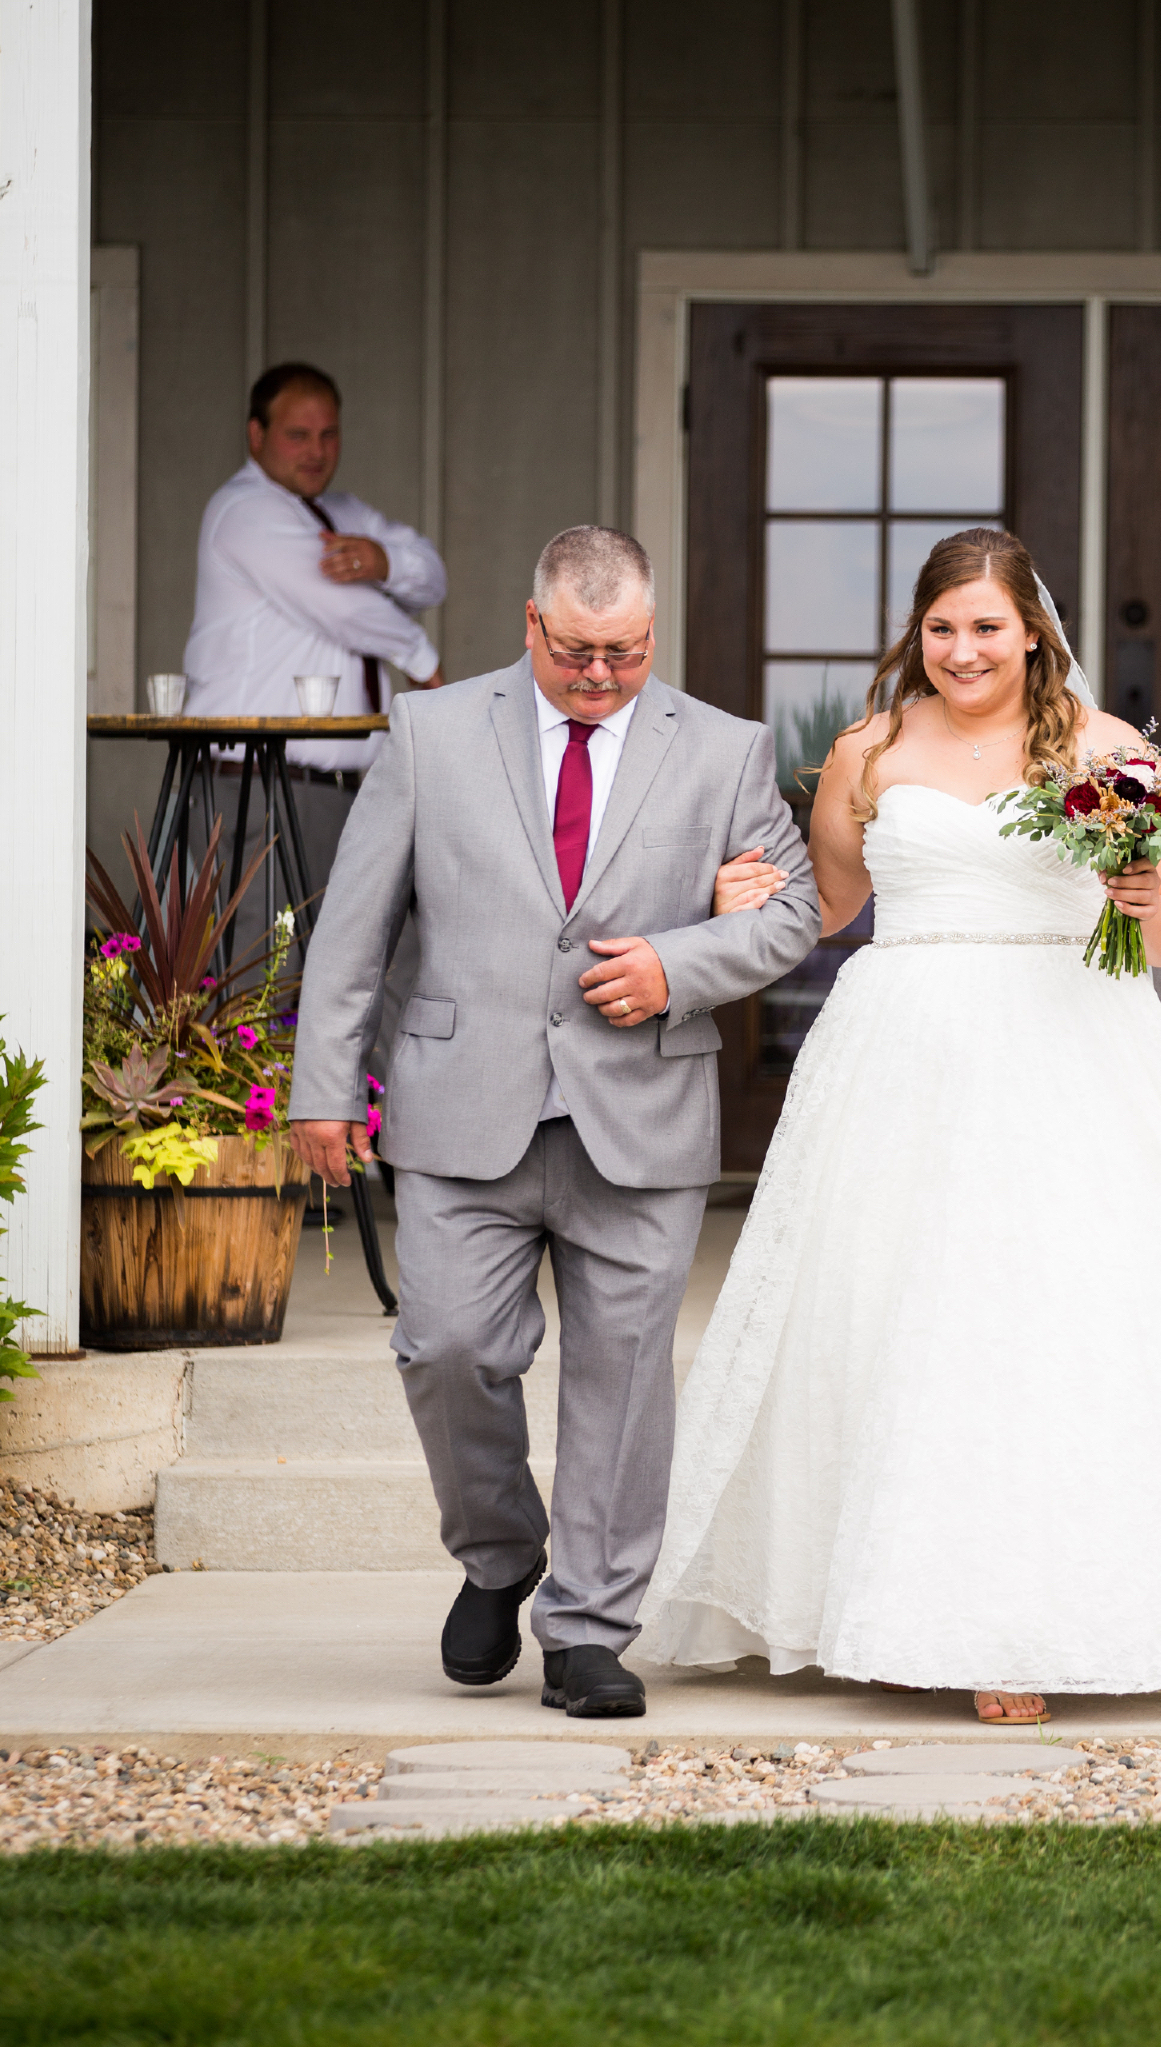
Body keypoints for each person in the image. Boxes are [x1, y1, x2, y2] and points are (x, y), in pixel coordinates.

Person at [638, 526, 1161, 1722]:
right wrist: (738, 897)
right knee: (896, 1318)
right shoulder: (867, 749)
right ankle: (884, 1597)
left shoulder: (1109, 750)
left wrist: (1138, 895)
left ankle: (1031, 1620)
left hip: (1068, 1047)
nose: (964, 650)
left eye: (987, 628)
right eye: (942, 628)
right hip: (902, 1056)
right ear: (916, 634)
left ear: (1032, 633)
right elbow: (829, 909)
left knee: (1049, 1322)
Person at [287, 525, 821, 1719]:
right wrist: (323, 1086)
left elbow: (791, 917)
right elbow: (354, 926)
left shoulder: (726, 750)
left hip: (639, 1113)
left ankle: (588, 1630)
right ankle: (498, 1553)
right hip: (457, 1107)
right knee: (448, 1348)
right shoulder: (429, 734)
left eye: (625, 653)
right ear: (532, 626)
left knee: (623, 1379)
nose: (600, 675)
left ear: (650, 632)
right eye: (577, 651)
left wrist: (677, 966)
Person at [182, 362, 447, 962]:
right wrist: (421, 658)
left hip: (340, 790)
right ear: (256, 435)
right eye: (297, 435)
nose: (317, 451)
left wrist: (383, 559)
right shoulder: (245, 510)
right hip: (261, 785)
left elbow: (431, 576)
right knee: (261, 970)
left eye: (328, 434)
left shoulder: (345, 513)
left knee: (362, 973)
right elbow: (341, 606)